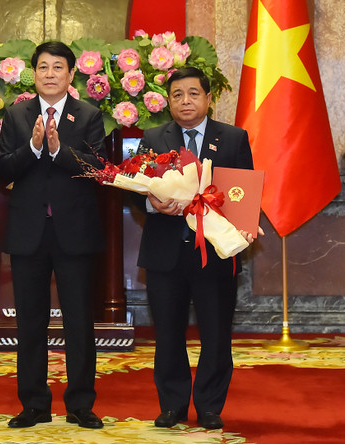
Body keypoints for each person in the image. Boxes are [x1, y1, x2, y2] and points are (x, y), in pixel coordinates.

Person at [137, 67, 259, 430]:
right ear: (169, 102)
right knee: (168, 333)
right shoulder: (153, 137)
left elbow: (244, 192)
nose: (185, 101)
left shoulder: (234, 139)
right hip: (165, 252)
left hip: (215, 252)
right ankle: (172, 405)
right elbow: (135, 193)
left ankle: (209, 406)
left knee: (217, 332)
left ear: (208, 99)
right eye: (177, 95)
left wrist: (246, 225)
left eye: (193, 93)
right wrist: (151, 203)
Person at [0, 41, 106, 429]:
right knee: (30, 321)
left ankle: (80, 404)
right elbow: (3, 169)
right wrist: (33, 146)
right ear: (34, 73)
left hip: (74, 232)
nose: (49, 73)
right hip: (29, 232)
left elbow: (97, 168)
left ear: (71, 74)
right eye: (42, 67)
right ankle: (34, 404)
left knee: (79, 320)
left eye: (57, 67)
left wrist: (59, 151)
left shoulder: (89, 116)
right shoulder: (16, 116)